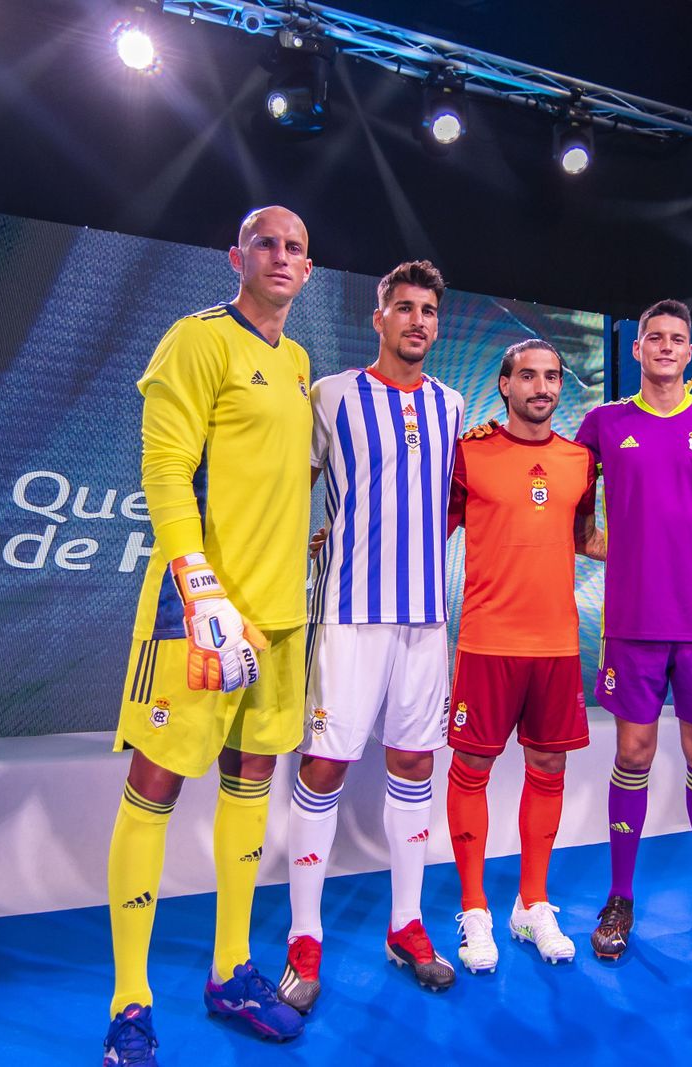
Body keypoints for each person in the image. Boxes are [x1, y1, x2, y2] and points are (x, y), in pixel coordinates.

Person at [103, 207, 314, 1063]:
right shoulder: (194, 340)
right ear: (237, 256)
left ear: (308, 269)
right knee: (154, 785)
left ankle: (231, 970)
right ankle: (129, 1003)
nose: (282, 256)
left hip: (277, 619)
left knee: (251, 780)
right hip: (200, 613)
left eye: (297, 248)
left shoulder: (298, 361)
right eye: (266, 242)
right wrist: (197, 585)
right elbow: (163, 467)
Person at [279, 261, 466, 1013]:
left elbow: (451, 502)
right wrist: (313, 540)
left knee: (415, 763)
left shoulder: (454, 405)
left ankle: (407, 922)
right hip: (348, 614)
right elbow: (290, 487)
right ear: (378, 316)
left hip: (425, 620)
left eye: (429, 311)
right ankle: (304, 934)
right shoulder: (330, 395)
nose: (418, 320)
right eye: (404, 308)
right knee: (323, 766)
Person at [573, 298, 692, 962]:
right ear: (636, 349)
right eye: (653, 336)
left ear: (689, 352)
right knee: (633, 755)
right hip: (632, 624)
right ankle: (620, 896)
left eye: (676, 339)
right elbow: (574, 516)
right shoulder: (602, 423)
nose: (663, 346)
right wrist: (610, 546)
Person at [443, 339, 597, 973]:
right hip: (486, 641)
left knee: (548, 767)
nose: (542, 386)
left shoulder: (580, 461)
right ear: (503, 385)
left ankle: (531, 903)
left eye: (552, 376)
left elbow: (587, 537)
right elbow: (424, 532)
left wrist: (670, 546)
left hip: (557, 645)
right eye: (527, 376)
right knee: (472, 768)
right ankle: (475, 909)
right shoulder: (469, 454)